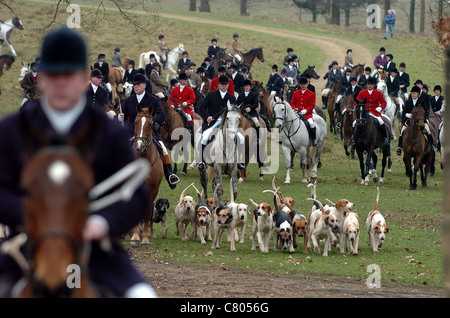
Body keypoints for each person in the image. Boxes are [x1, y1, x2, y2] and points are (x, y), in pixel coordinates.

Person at [0, 26, 156, 298]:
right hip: (24, 248)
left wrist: (101, 223)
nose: (61, 82)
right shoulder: (12, 130)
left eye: (68, 75)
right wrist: (33, 217)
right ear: (41, 80)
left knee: (143, 295)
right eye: (53, 75)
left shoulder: (110, 133)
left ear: (83, 79)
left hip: (95, 253)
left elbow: (138, 197)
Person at [121, 73, 180, 188]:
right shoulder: (128, 101)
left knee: (163, 148)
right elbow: (124, 115)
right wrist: (120, 117)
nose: (135, 87)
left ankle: (170, 175)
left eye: (138, 85)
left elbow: (162, 115)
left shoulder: (153, 99)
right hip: (131, 132)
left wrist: (151, 121)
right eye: (134, 85)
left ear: (144, 85)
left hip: (150, 132)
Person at [198, 75, 237, 170]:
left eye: (225, 84)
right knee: (205, 136)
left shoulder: (232, 98)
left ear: (228, 85)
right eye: (222, 84)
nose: (224, 86)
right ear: (218, 85)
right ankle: (202, 161)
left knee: (240, 138)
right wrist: (207, 116)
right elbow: (202, 107)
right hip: (213, 122)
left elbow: (235, 112)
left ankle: (239, 162)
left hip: (228, 123)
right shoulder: (211, 95)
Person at [396, 85, 436, 155]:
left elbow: (426, 111)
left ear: (418, 94)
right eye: (412, 93)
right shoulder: (408, 102)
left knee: (428, 131)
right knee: (402, 132)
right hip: (409, 121)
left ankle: (432, 145)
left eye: (414, 93)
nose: (413, 95)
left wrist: (424, 119)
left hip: (421, 121)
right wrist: (406, 115)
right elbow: (404, 112)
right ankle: (399, 147)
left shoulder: (421, 102)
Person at [354, 76, 390, 145]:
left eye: (371, 84)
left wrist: (380, 108)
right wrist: (358, 107)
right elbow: (356, 102)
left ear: (374, 85)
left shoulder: (378, 93)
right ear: (366, 85)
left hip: (375, 112)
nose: (370, 86)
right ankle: (354, 138)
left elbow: (384, 102)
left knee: (381, 122)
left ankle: (385, 138)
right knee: (354, 123)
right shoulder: (362, 92)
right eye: (368, 84)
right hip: (365, 112)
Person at [290, 77, 317, 146]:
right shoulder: (295, 93)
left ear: (307, 84)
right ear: (299, 85)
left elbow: (312, 105)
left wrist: (306, 110)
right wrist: (294, 109)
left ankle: (313, 139)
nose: (303, 86)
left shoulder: (311, 94)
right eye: (301, 84)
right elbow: (292, 103)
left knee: (312, 124)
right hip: (296, 113)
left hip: (307, 115)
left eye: (304, 84)